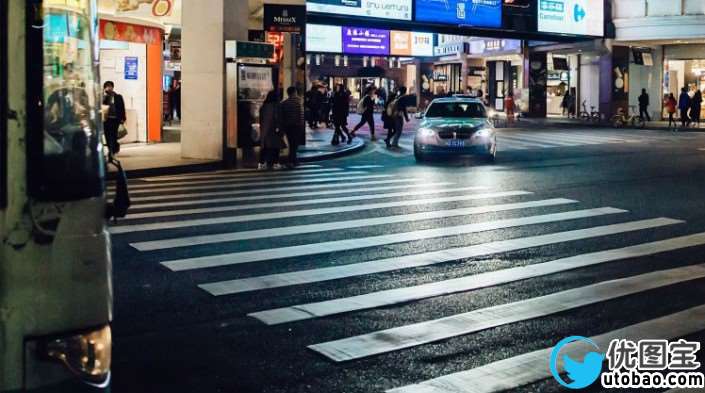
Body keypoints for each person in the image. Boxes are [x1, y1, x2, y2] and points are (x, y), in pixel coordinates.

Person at [257, 90, 285, 170]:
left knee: (265, 147)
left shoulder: (264, 106)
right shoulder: (277, 105)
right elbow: (278, 118)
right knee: (276, 147)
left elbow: (261, 119)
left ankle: (261, 163)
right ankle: (275, 163)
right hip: (273, 129)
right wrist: (279, 128)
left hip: (265, 130)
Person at [281, 86, 305, 168]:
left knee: (291, 143)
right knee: (294, 144)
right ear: (294, 92)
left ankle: (293, 160)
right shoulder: (299, 101)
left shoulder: (284, 103)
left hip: (288, 126)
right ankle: (292, 160)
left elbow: (283, 116)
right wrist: (301, 125)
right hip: (297, 126)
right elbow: (301, 115)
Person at [102, 81, 126, 156]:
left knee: (113, 135)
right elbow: (101, 105)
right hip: (106, 119)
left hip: (115, 119)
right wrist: (105, 96)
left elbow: (122, 108)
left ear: (113, 87)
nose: (109, 88)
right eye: (107, 86)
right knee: (107, 135)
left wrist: (123, 118)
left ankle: (112, 150)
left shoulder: (118, 97)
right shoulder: (103, 97)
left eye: (110, 86)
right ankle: (111, 149)